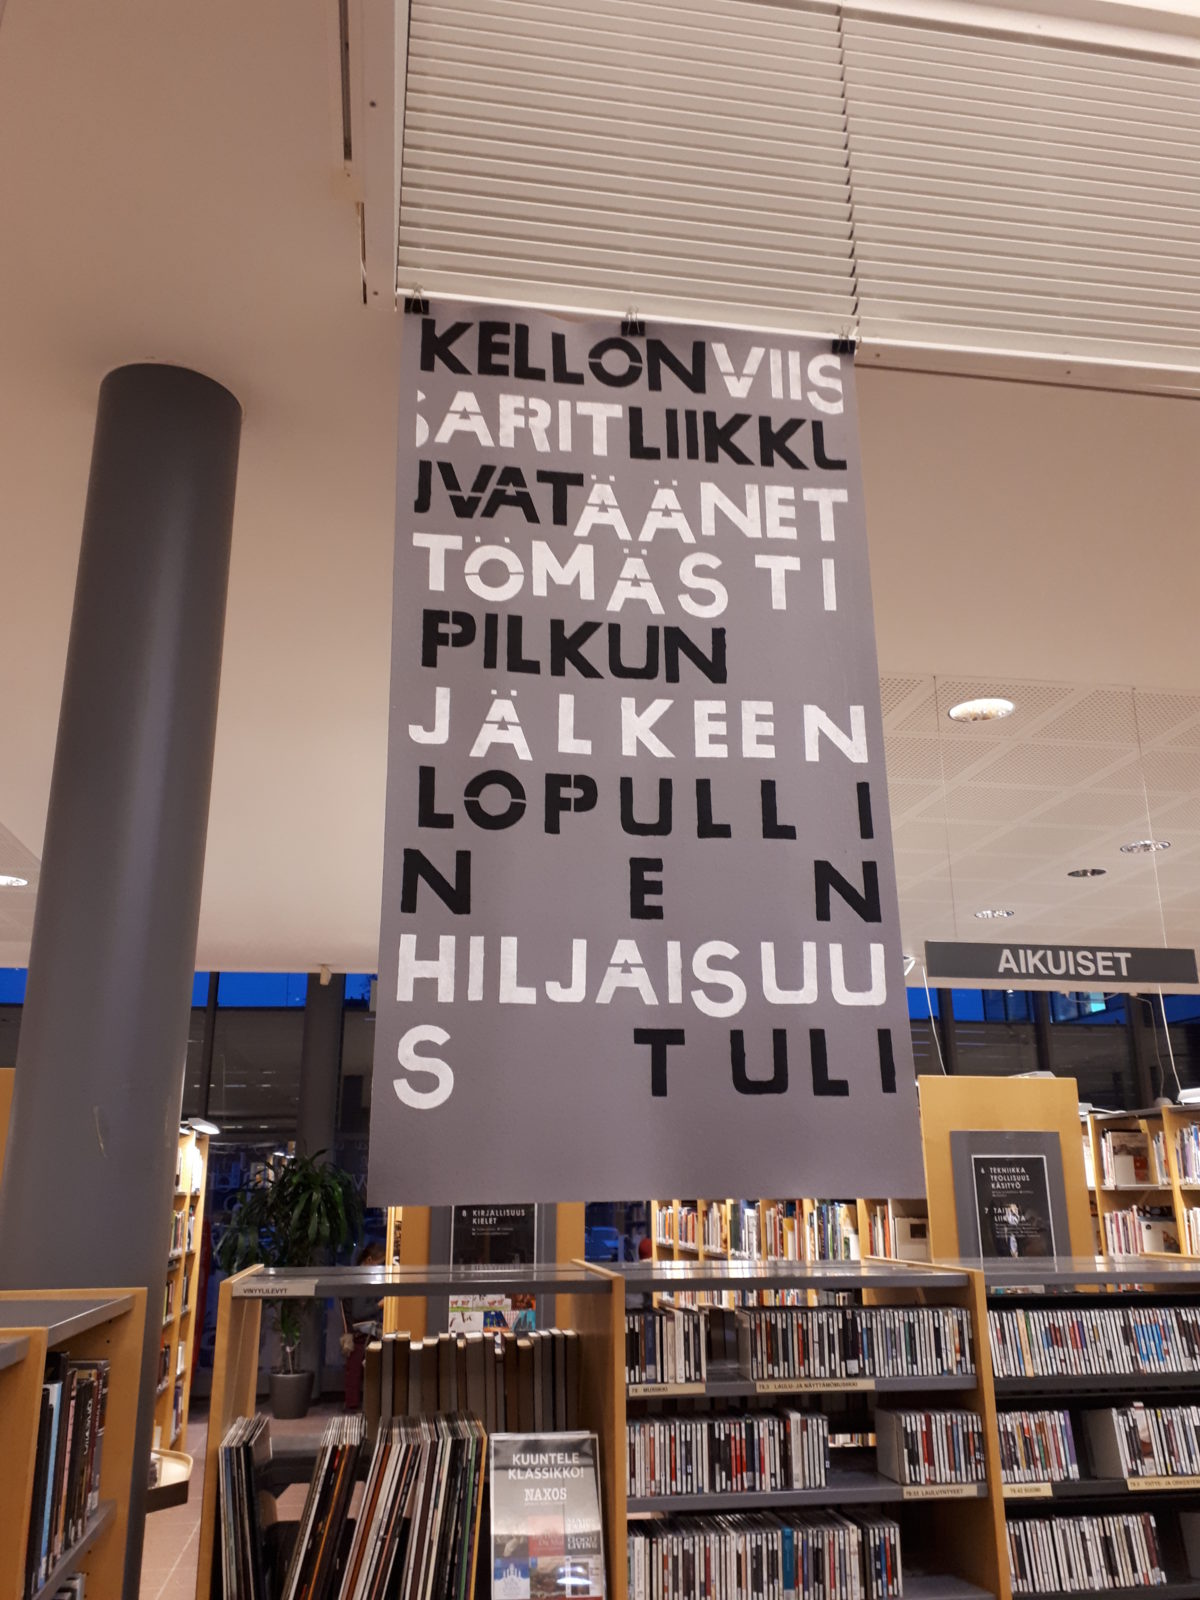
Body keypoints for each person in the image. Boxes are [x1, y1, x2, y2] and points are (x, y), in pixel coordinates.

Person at [342, 1239, 386, 1410]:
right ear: (369, 1261)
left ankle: (356, 1404)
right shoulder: (362, 1281)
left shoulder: (360, 1277)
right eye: (380, 1264)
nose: (381, 1269)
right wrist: (379, 1305)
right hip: (360, 1332)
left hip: (359, 1330)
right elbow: (359, 1313)